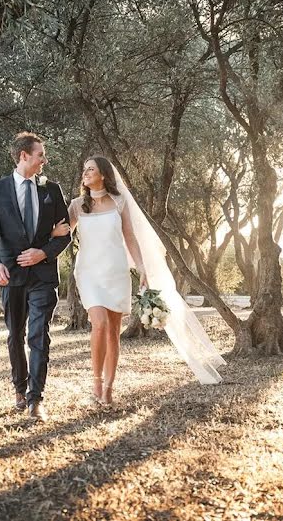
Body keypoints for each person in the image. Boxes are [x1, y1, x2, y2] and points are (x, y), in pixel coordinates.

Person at [51, 156, 225, 405]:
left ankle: (109, 387)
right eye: (84, 170)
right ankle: (96, 383)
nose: (85, 173)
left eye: (91, 169)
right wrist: (53, 233)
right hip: (88, 273)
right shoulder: (78, 205)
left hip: (116, 271)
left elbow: (130, 237)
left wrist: (142, 268)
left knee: (113, 332)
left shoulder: (120, 202)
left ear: (103, 174)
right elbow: (62, 232)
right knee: (98, 323)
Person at [0, 132, 71, 422]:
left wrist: (43, 252)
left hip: (43, 275)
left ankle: (36, 399)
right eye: (40, 155)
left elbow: (65, 233)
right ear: (24, 156)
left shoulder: (52, 190)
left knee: (38, 335)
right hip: (11, 274)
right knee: (15, 334)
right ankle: (19, 388)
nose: (44, 160)